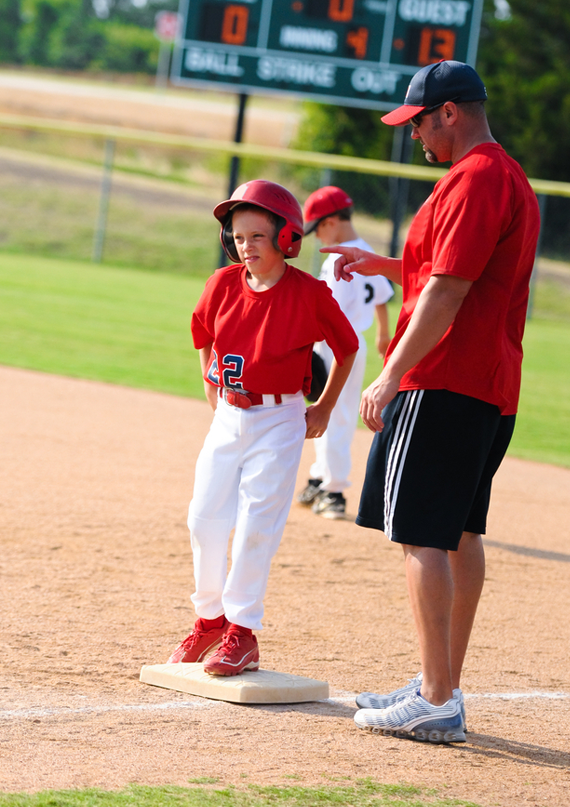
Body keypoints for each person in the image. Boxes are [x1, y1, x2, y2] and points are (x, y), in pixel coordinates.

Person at [322, 60, 540, 743]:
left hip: (444, 378)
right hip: (488, 382)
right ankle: (437, 681)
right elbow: (453, 273)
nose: (414, 134)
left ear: (449, 112)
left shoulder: (475, 178)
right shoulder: (508, 177)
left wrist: (390, 373)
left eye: (418, 121)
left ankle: (439, 698)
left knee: (420, 534)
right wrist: (387, 267)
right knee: (460, 534)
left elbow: (447, 293)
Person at [167, 180, 358, 676]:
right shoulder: (222, 283)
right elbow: (203, 334)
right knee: (203, 517)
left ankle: (242, 633)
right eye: (236, 236)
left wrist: (323, 407)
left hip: (280, 419)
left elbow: (347, 348)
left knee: (256, 526)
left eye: (255, 236)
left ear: (287, 238)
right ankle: (210, 618)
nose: (244, 246)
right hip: (230, 414)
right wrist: (210, 382)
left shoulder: (309, 294)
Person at [296, 186, 393, 519]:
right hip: (351, 342)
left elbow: (328, 310)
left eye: (319, 226)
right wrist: (382, 331)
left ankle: (334, 490)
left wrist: (305, 341)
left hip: (337, 345)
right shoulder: (365, 251)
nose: (316, 234)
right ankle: (322, 474)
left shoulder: (341, 257)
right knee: (327, 410)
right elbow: (382, 295)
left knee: (332, 413)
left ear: (333, 221)